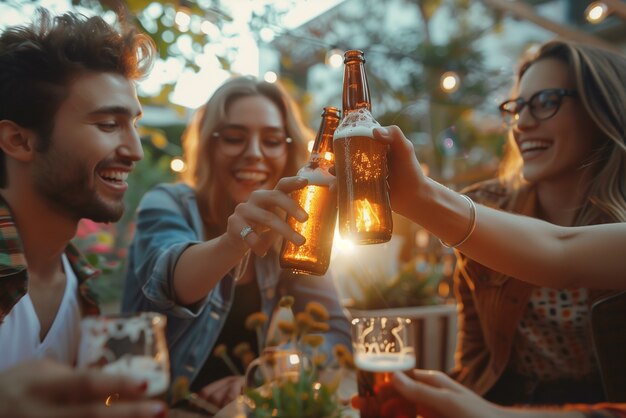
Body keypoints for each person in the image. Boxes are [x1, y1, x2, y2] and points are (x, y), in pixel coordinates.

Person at [368, 38, 626, 415]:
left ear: (602, 109)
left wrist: (421, 198)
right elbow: (476, 359)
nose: (523, 123)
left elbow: (561, 252)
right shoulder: (488, 206)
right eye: (517, 107)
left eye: (546, 102)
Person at [122, 76, 351, 408]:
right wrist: (234, 242)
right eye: (233, 137)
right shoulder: (168, 202)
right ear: (208, 145)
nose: (254, 154)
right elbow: (169, 279)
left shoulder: (290, 224)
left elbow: (335, 331)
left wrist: (268, 373)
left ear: (289, 150)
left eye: (272, 140)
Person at [0, 9, 165, 418]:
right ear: (19, 140)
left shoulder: (80, 291)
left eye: (134, 126)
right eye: (109, 124)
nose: (136, 151)